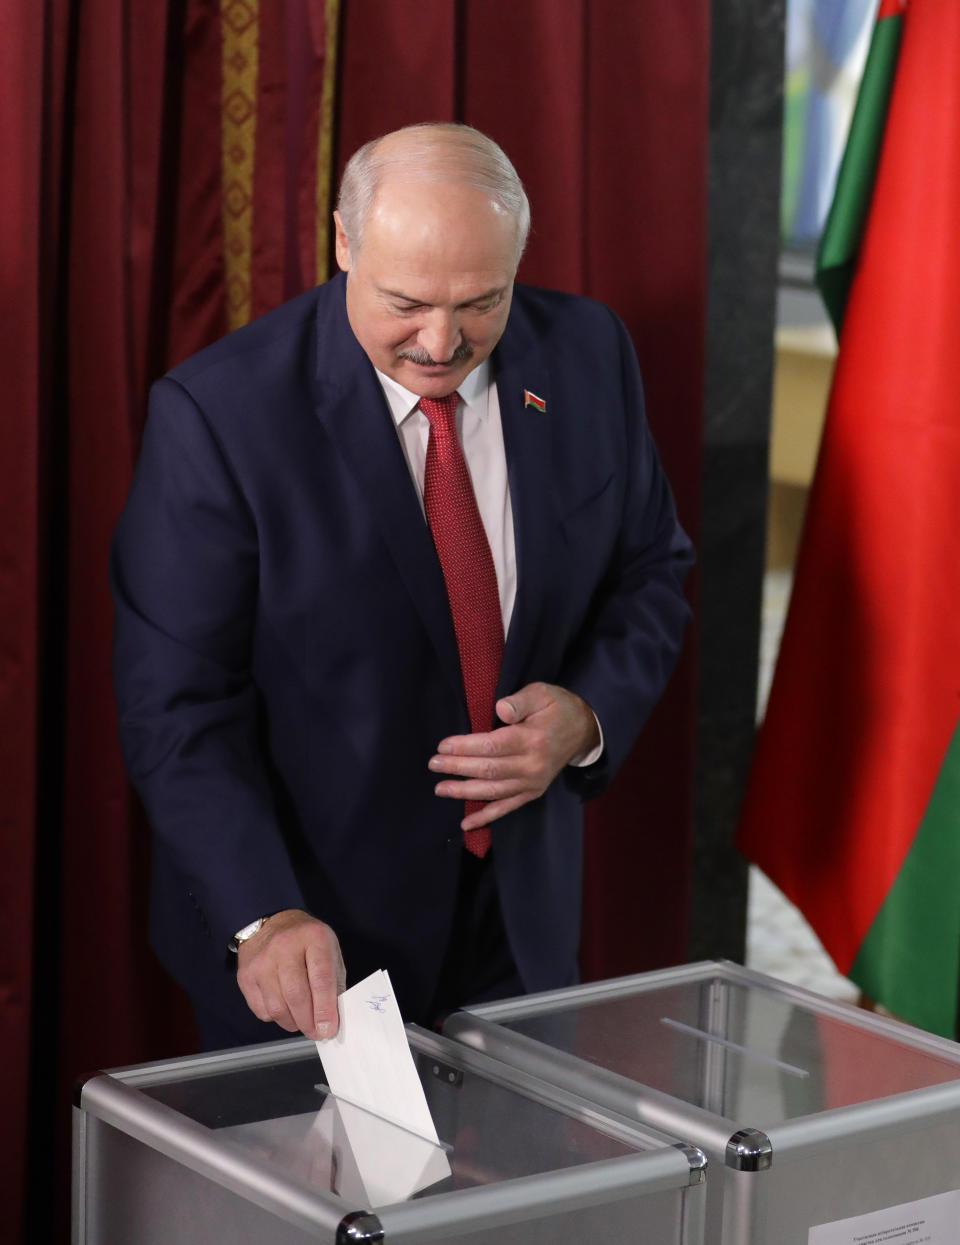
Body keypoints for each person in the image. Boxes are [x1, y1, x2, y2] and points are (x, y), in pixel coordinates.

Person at [111, 123, 694, 1051]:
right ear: (344, 244)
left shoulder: (587, 354)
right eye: (407, 302)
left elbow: (651, 572)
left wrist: (587, 715)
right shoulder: (220, 417)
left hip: (521, 925)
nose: (442, 341)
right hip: (312, 943)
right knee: (342, 1198)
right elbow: (177, 707)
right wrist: (263, 915)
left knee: (517, 1196)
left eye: (480, 303)